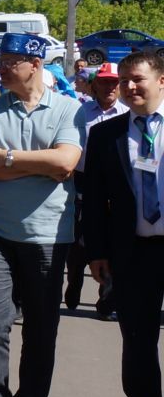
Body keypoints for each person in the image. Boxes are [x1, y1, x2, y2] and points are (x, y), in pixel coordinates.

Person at [0, 33, 82, 397]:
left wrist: (10, 158)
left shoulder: (69, 110)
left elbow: (66, 163)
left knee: (41, 325)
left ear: (35, 64)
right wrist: (40, 164)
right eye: (0, 60)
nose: (1, 67)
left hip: (49, 233)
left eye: (10, 60)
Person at [78, 51, 164, 397]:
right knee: (137, 337)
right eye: (125, 80)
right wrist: (96, 252)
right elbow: (93, 201)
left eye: (138, 79)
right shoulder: (105, 135)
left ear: (160, 81)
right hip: (133, 253)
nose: (130, 87)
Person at [65, 62, 128, 317]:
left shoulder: (126, 114)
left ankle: (106, 300)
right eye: (104, 82)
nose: (109, 87)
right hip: (81, 181)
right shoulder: (80, 113)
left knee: (109, 242)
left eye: (114, 82)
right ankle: (74, 281)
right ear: (95, 85)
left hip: (114, 185)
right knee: (76, 240)